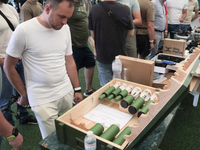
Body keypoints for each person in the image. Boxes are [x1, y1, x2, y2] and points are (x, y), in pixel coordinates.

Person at [4, 0, 83, 139]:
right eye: (61, 16)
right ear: (47, 9)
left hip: (65, 91)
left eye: (67, 18)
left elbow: (69, 60)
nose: (65, 22)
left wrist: (77, 89)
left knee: (70, 134)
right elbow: (8, 66)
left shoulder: (65, 28)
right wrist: (23, 94)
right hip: (42, 98)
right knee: (51, 142)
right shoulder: (24, 30)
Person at [0, 0, 37, 146]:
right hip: (3, 62)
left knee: (23, 90)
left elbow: (15, 32)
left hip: (17, 58)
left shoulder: (9, 8)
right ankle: (9, 130)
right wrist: (3, 60)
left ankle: (24, 115)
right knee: (5, 99)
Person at [89, 0, 134, 86]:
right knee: (121, 85)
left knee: (106, 86)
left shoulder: (93, 9)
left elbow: (93, 35)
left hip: (102, 54)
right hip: (120, 54)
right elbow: (131, 33)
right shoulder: (125, 9)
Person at [67, 0, 96, 97]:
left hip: (83, 44)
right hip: (74, 45)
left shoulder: (80, 3)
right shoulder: (67, 4)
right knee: (74, 69)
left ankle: (88, 90)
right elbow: (60, 21)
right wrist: (67, 39)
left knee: (90, 62)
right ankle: (73, 95)